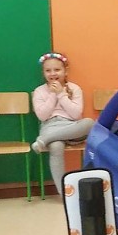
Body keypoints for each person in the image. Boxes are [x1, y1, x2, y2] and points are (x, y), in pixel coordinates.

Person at [30, 52, 94, 196]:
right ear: (43, 73)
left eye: (57, 70)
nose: (53, 74)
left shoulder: (74, 88)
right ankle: (64, 193)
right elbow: (42, 116)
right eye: (48, 70)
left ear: (65, 71)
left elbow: (76, 114)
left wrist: (61, 94)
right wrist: (53, 94)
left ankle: (44, 140)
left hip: (71, 128)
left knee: (90, 123)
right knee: (56, 146)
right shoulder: (39, 91)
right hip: (50, 126)